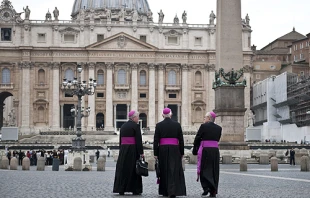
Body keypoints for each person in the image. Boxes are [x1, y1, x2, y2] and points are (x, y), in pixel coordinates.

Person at [153, 108, 186, 198]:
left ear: (163, 115)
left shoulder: (159, 125)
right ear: (171, 115)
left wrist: (155, 153)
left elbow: (156, 140)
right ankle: (173, 190)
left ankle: (165, 191)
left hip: (162, 149)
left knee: (164, 169)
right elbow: (181, 140)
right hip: (175, 149)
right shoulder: (177, 125)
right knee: (174, 170)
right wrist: (181, 152)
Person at [113, 110, 144, 196]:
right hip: (133, 150)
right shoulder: (136, 126)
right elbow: (138, 140)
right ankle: (135, 189)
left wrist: (121, 149)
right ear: (134, 117)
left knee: (123, 169)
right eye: (137, 117)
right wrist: (141, 152)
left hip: (123, 149)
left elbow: (120, 140)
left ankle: (121, 189)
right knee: (134, 170)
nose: (138, 119)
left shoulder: (123, 126)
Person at [193, 111, 222, 197]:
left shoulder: (203, 126)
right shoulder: (219, 128)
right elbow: (218, 139)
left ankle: (206, 188)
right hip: (215, 151)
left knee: (204, 169)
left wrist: (196, 148)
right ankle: (213, 190)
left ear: (209, 118)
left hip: (205, 150)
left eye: (205, 117)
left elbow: (197, 138)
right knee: (214, 170)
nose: (204, 119)